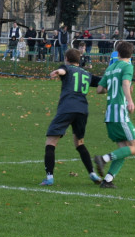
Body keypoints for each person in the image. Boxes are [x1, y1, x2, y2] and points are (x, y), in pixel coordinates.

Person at [40, 48, 103, 186]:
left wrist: (58, 72)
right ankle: (92, 173)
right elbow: (102, 81)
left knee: (51, 142)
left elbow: (64, 71)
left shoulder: (66, 68)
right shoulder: (87, 73)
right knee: (79, 143)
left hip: (67, 109)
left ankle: (49, 178)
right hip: (82, 111)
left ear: (67, 59)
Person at [93, 41, 135, 188]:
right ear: (131, 55)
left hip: (109, 114)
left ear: (117, 53)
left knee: (123, 149)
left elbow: (99, 89)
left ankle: (107, 180)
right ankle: (104, 158)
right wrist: (130, 100)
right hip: (120, 112)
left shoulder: (110, 68)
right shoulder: (127, 66)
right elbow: (126, 83)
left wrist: (113, 87)